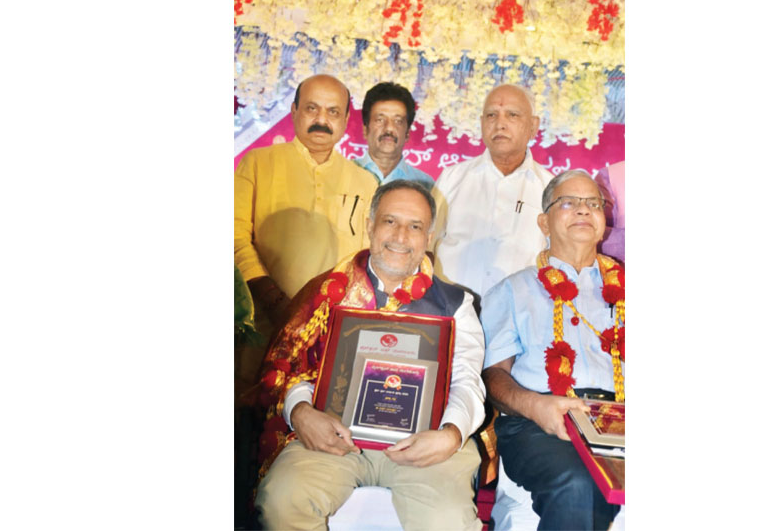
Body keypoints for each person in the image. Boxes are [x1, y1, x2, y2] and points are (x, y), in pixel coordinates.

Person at [254, 180, 486, 531]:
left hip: (427, 445)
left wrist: (450, 435)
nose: (401, 236)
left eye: (415, 226)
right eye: (390, 221)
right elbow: (294, 366)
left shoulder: (456, 305)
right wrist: (301, 411)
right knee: (282, 501)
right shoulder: (327, 292)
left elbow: (467, 379)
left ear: (430, 236)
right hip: (336, 439)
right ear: (370, 225)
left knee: (447, 521)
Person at [480, 169, 625, 530]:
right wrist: (537, 406)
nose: (583, 210)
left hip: (623, 421)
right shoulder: (512, 291)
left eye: (593, 203)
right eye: (569, 202)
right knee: (577, 484)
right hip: (540, 423)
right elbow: (493, 376)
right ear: (544, 222)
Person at [234, 74, 379, 338]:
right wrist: (267, 293)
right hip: (262, 318)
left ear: (346, 120)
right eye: (312, 108)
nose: (321, 120)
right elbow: (234, 234)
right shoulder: (257, 163)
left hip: (329, 328)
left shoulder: (366, 183)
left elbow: (366, 257)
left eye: (333, 112)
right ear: (294, 111)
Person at [431, 84, 555, 300]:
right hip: (452, 312)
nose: (500, 124)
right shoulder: (451, 178)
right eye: (491, 115)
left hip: (519, 316)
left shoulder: (551, 188)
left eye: (512, 115)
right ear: (481, 123)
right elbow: (425, 244)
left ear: (533, 126)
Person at [353, 82, 435, 188]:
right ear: (365, 130)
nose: (389, 128)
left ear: (407, 133)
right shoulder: (340, 175)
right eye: (380, 120)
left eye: (398, 121)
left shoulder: (425, 185)